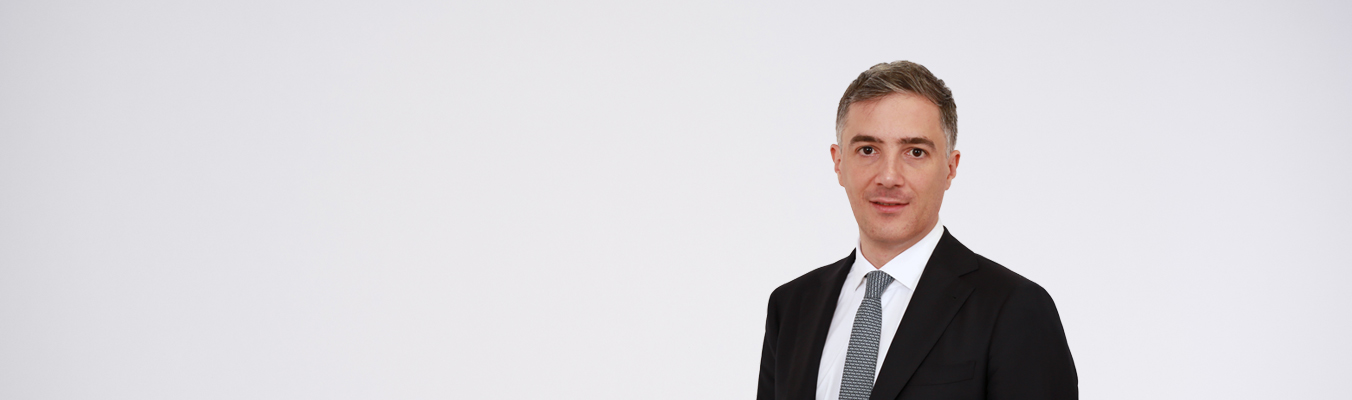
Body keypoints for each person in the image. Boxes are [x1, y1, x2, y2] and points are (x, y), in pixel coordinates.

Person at [756, 61, 1077, 400]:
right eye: (868, 150)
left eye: (915, 152)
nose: (889, 177)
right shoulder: (791, 307)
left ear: (950, 168)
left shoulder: (1013, 309)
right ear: (838, 163)